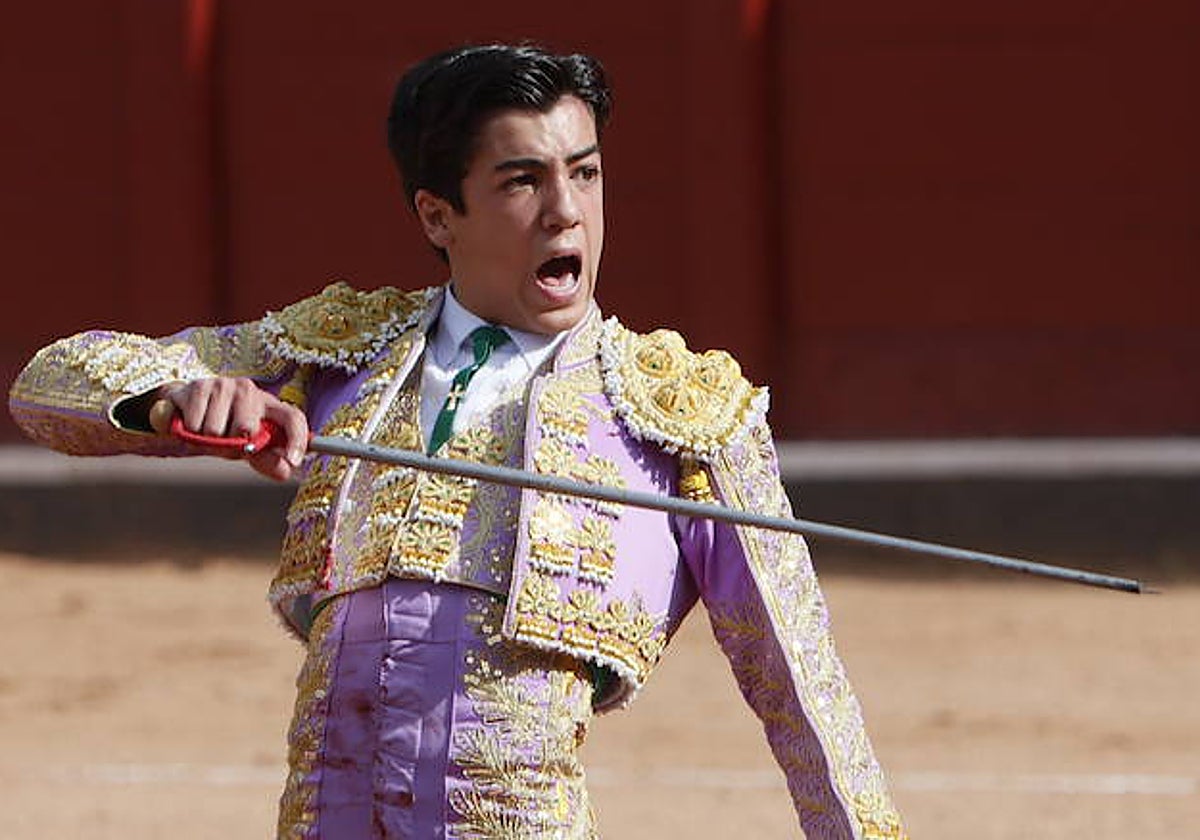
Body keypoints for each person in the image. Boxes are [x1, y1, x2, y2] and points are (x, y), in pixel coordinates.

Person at [9, 44, 906, 839]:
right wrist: (172, 399)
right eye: (522, 181)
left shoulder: (680, 409)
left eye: (586, 173)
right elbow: (47, 385)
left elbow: (800, 682)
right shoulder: (343, 349)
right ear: (439, 216)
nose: (566, 211)